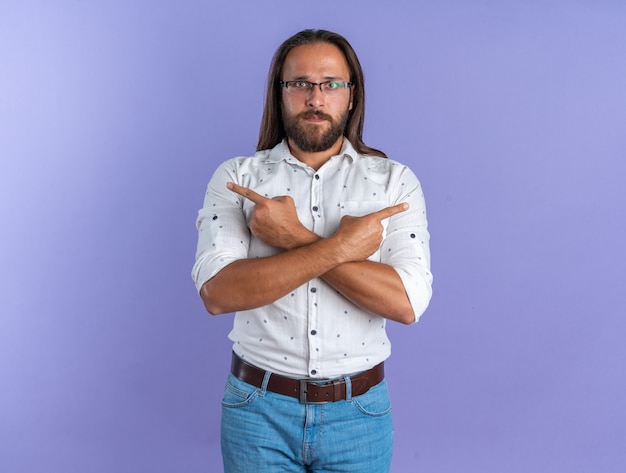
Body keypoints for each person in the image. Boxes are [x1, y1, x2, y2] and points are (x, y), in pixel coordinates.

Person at [192, 29, 432, 473]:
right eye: (300, 83)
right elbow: (218, 293)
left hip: (359, 415)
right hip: (256, 412)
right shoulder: (237, 178)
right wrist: (344, 247)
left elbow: (406, 302)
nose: (315, 97)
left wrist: (295, 237)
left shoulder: (394, 183)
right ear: (280, 93)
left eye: (330, 84)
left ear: (351, 95)